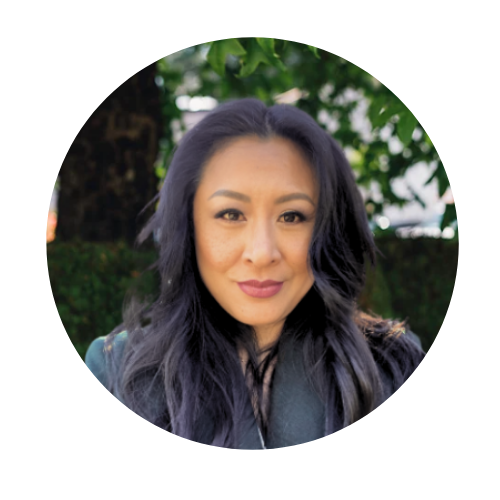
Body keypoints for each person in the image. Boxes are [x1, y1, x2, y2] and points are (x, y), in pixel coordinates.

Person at [85, 98, 425, 449]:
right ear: (188, 225)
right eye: (231, 214)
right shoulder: (117, 374)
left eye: (292, 216)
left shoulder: (391, 368)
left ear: (327, 230)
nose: (262, 253)